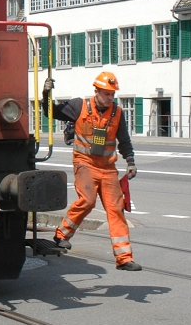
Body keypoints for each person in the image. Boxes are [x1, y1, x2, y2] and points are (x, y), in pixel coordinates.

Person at [43, 71, 141, 271]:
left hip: (108, 168)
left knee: (116, 210)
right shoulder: (80, 106)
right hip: (85, 163)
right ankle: (62, 235)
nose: (110, 98)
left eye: (113, 94)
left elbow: (124, 140)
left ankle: (124, 258)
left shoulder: (118, 113)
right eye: (107, 94)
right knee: (87, 201)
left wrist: (130, 161)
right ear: (96, 91)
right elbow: (51, 112)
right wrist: (46, 95)